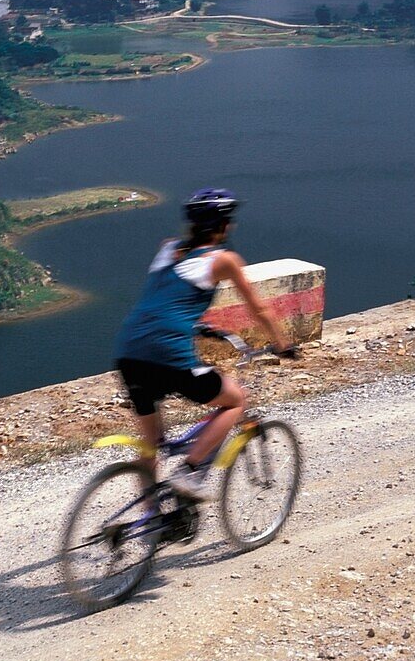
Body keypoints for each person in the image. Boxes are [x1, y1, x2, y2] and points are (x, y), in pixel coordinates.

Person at [115, 187, 298, 500]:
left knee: (150, 448)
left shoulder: (167, 248)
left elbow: (167, 300)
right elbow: (259, 309)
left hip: (128, 354)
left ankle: (149, 525)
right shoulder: (223, 260)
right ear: (223, 225)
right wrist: (282, 343)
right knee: (235, 400)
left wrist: (197, 325)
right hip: (168, 357)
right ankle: (191, 471)